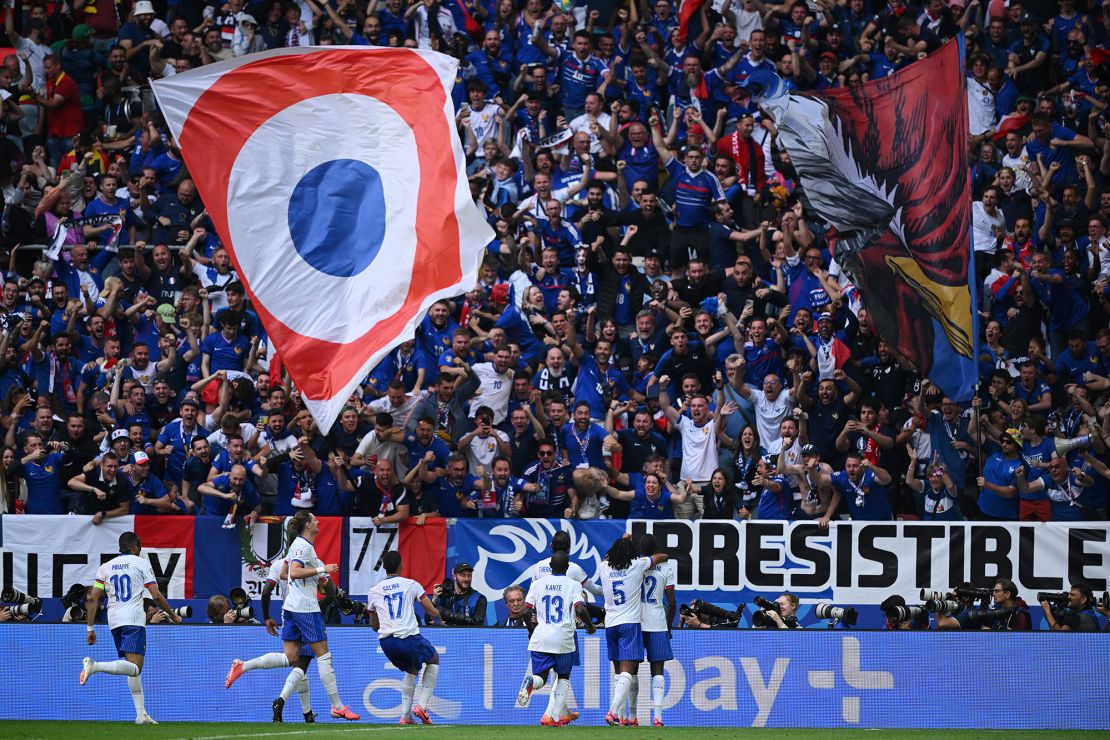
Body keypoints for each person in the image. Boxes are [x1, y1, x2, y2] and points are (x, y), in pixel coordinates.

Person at [224, 510, 360, 721]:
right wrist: (322, 570)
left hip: (290, 609)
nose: (318, 521)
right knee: (324, 656)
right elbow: (294, 573)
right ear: (307, 525)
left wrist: (317, 579)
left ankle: (244, 666)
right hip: (306, 608)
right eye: (314, 519)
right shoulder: (304, 546)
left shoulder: (299, 546)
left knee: (292, 657)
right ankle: (337, 706)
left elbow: (285, 573)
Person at [79, 531, 182, 725]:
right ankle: (95, 666)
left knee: (132, 667)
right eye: (140, 548)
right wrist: (173, 615)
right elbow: (156, 595)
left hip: (114, 621)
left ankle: (141, 714)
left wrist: (90, 628)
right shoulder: (141, 563)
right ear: (134, 548)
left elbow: (92, 598)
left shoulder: (105, 567)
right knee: (135, 668)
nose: (140, 551)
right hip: (133, 619)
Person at [518, 550, 595, 726]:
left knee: (541, 678)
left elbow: (526, 610)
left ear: (550, 566)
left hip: (541, 636)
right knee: (563, 677)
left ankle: (531, 681)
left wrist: (532, 630)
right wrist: (590, 626)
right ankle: (553, 717)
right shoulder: (573, 585)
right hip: (564, 638)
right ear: (567, 567)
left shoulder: (538, 584)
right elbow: (581, 610)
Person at [599, 534, 667, 726]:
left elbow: (607, 557)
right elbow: (659, 557)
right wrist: (663, 556)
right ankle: (613, 712)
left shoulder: (603, 567)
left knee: (618, 673)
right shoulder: (636, 565)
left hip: (610, 624)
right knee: (628, 672)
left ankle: (621, 716)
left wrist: (621, 540)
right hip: (630, 624)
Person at [367, 550, 441, 725]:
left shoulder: (374, 591)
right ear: (401, 565)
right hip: (408, 638)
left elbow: (374, 626)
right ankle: (422, 706)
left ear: (384, 567)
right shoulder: (411, 584)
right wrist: (439, 617)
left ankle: (406, 716)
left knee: (412, 669)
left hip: (387, 643)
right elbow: (431, 611)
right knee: (434, 659)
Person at [261, 549, 317, 724]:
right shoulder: (310, 563)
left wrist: (267, 617)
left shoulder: (278, 565)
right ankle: (280, 700)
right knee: (301, 663)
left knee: (300, 667)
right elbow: (328, 592)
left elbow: (265, 592)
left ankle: (307, 714)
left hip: (288, 616)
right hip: (305, 614)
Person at [637, 533, 675, 728]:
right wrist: (668, 627)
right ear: (655, 549)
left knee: (631, 670)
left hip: (636, 622)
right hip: (658, 623)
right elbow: (672, 602)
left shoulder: (634, 565)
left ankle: (632, 716)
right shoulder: (666, 568)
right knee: (658, 670)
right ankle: (658, 717)